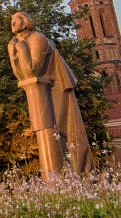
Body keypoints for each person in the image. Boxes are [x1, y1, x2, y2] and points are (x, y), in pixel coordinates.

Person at [8, 12, 93, 175]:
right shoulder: (19, 42)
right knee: (51, 131)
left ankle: (77, 174)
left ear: (25, 23)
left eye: (16, 20)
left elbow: (33, 70)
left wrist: (20, 49)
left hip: (56, 89)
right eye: (11, 21)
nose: (12, 23)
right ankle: (60, 178)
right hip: (39, 91)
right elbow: (21, 75)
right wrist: (13, 51)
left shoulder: (37, 39)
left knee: (64, 130)